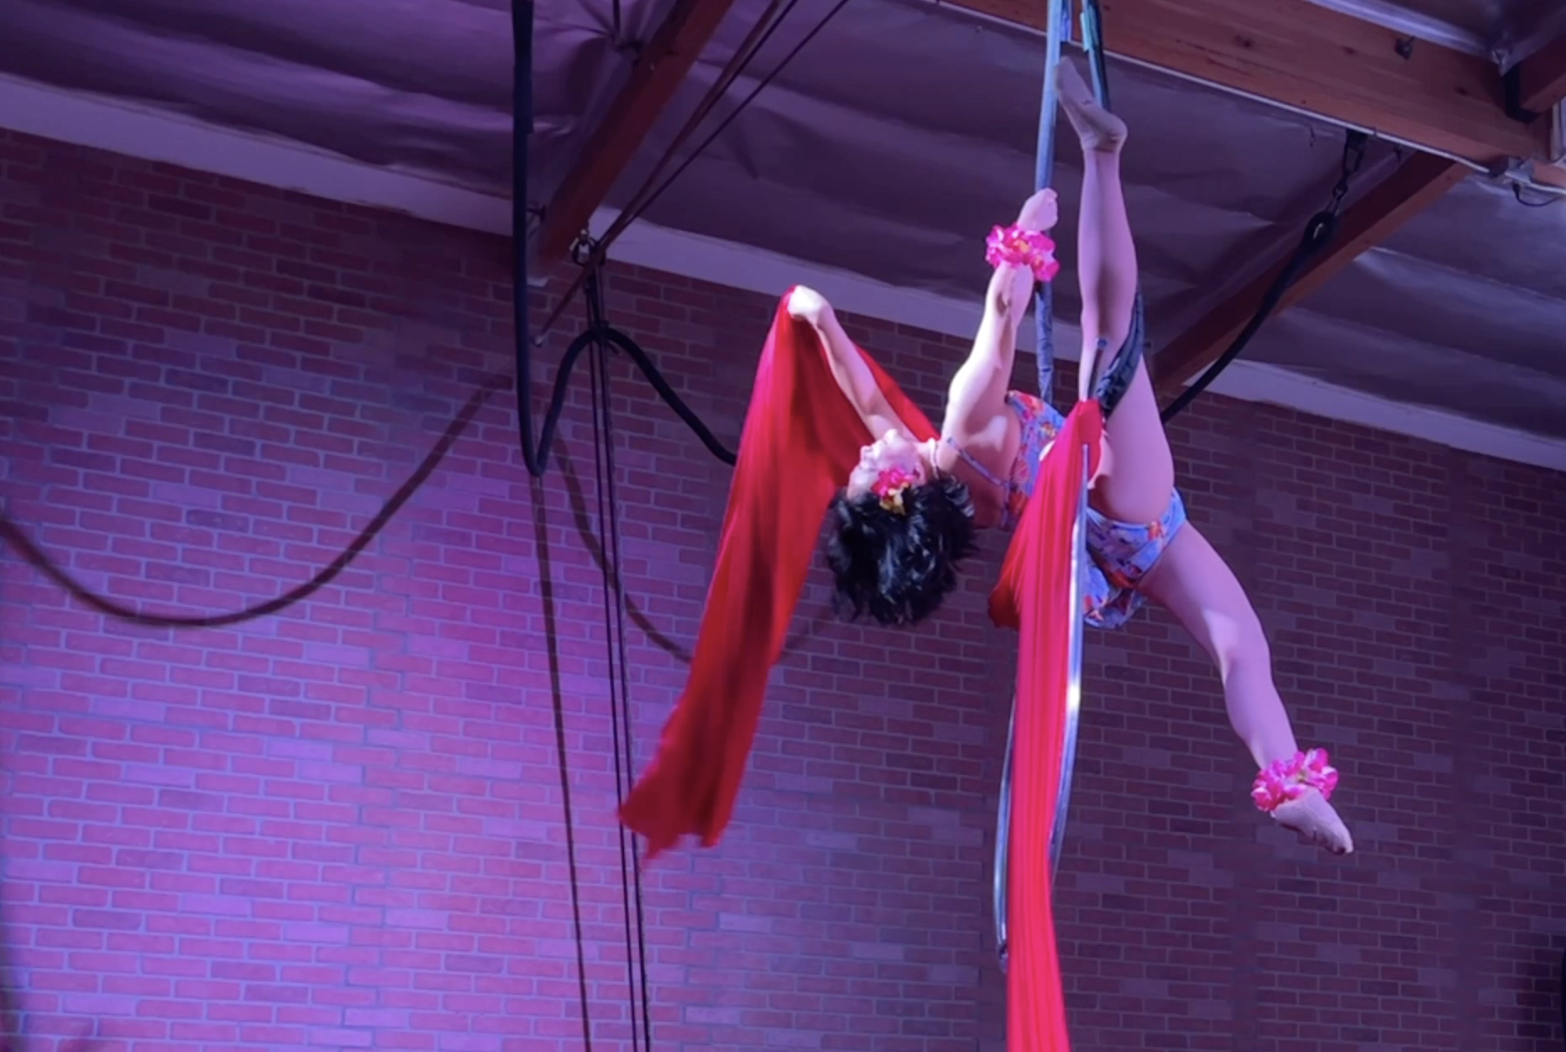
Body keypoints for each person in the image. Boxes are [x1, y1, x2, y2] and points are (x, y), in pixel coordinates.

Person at [786, 60, 1353, 855]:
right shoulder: (961, 420)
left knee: (1239, 645)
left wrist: (821, 323)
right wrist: (1023, 236)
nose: (867, 443)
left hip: (1121, 539)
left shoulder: (958, 478)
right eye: (866, 464)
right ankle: (1101, 153)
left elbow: (867, 401)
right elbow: (1001, 314)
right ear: (899, 485)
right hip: (1113, 501)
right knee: (1107, 337)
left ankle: (1289, 787)